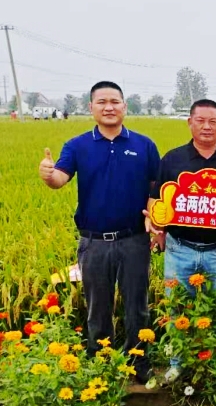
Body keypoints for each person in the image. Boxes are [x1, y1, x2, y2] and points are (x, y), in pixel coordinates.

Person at [38, 80, 160, 384]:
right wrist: (48, 175)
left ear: (124, 106)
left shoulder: (144, 145)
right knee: (97, 307)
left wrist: (157, 225)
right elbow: (60, 179)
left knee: (137, 306)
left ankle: (138, 361)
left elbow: (155, 189)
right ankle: (101, 364)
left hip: (134, 239)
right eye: (102, 102)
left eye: (114, 101)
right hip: (93, 242)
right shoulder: (77, 145)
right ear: (91, 107)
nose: (109, 107)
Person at [146, 99, 216, 383]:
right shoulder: (172, 160)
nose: (207, 126)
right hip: (179, 249)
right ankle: (178, 364)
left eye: (213, 122)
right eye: (200, 121)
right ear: (190, 123)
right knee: (178, 308)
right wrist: (157, 228)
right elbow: (156, 200)